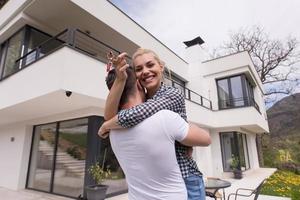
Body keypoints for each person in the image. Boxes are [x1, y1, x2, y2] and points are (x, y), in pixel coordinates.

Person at [100, 49, 208, 200]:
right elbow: (110, 115)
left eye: (150, 65)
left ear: (161, 67)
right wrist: (120, 79)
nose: (145, 71)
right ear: (137, 80)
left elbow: (137, 113)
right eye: (139, 69)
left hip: (186, 176)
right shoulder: (145, 99)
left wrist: (106, 126)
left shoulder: (171, 94)